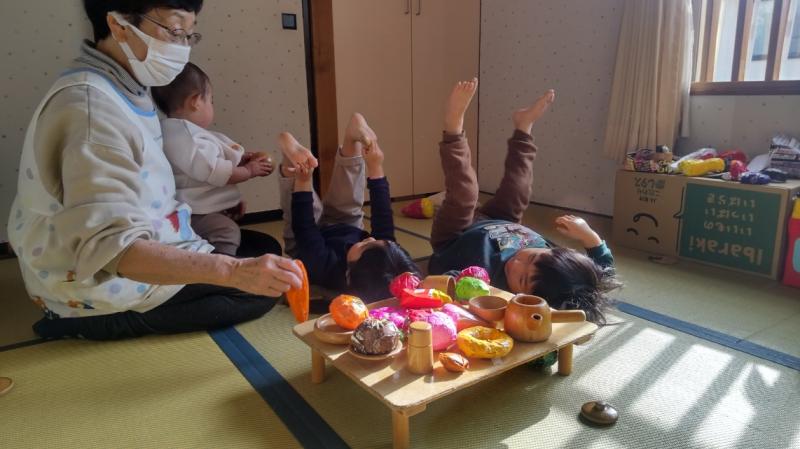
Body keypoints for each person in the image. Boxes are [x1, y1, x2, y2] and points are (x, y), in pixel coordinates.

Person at [6, 0, 302, 340]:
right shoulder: (90, 110)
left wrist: (214, 210)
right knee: (254, 291)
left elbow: (152, 180)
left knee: (265, 250)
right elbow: (112, 248)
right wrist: (232, 271)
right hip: (96, 274)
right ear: (118, 25)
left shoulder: (126, 85)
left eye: (190, 34)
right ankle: (87, 321)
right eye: (175, 30)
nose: (183, 47)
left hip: (148, 233)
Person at [428, 79, 621, 324]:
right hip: (502, 222)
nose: (518, 263)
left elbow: (447, 285)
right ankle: (524, 126)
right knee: (519, 188)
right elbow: (605, 270)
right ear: (554, 251)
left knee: (466, 193)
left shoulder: (494, 290)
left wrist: (449, 284)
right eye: (532, 258)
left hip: (457, 236)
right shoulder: (565, 271)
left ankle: (453, 128)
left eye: (522, 279)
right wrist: (588, 236)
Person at [277, 113, 422, 302]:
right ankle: (352, 138)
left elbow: (305, 228)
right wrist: (376, 167)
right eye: (380, 241)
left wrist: (303, 181)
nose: (370, 238)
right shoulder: (382, 254)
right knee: (350, 197)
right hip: (345, 226)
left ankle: (292, 158)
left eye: (365, 245)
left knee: (298, 185)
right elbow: (383, 215)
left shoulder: (324, 267)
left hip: (304, 240)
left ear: (348, 274)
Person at [151, 62, 274, 256]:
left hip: (200, 206)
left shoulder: (178, 132)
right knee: (227, 231)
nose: (212, 105)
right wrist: (249, 171)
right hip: (193, 212)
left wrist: (240, 161)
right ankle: (224, 266)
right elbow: (216, 171)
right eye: (211, 100)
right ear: (195, 101)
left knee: (229, 223)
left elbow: (210, 160)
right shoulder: (187, 136)